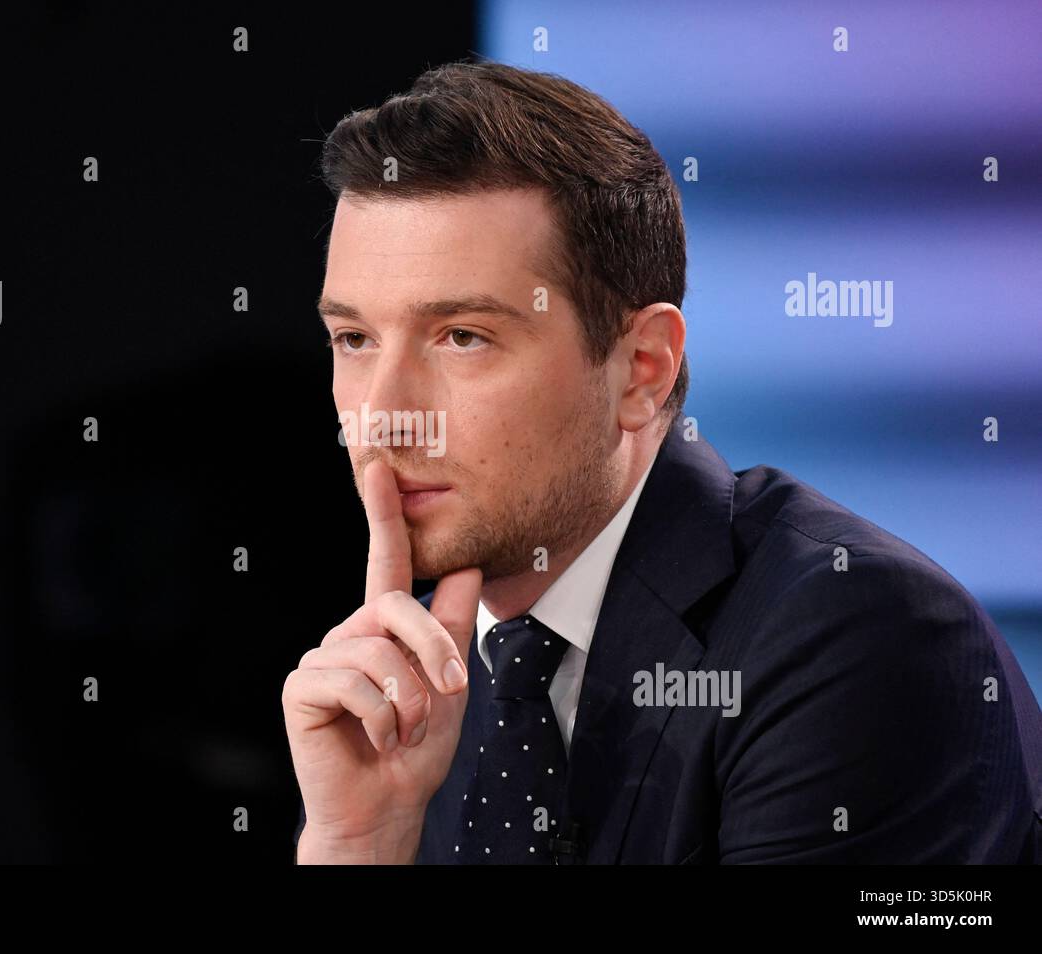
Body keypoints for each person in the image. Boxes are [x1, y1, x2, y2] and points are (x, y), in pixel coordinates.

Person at [281, 60, 1042, 864]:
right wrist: (357, 844)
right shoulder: (416, 686)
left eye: (463, 337)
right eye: (354, 340)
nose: (386, 417)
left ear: (642, 367)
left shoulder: (859, 637)